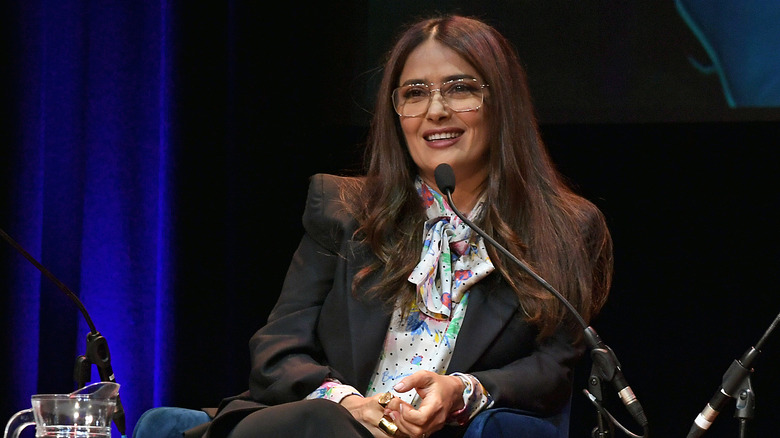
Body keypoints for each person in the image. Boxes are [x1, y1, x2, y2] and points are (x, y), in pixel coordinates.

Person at [190, 14, 613, 438]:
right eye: (415, 93)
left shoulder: (565, 228)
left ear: (501, 101)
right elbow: (277, 351)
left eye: (460, 88)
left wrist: (461, 392)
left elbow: (551, 369)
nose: (435, 110)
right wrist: (351, 406)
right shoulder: (342, 209)